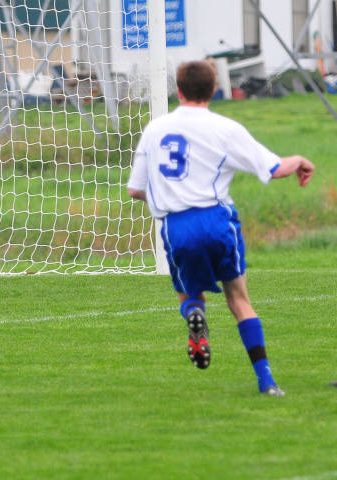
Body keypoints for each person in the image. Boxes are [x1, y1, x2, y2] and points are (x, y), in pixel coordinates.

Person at [127, 60, 314, 396]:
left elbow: (134, 189)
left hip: (176, 225)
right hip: (217, 220)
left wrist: (165, 198)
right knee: (238, 299)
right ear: (213, 90)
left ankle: (194, 314)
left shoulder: (155, 129)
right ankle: (266, 381)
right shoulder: (226, 128)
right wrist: (298, 160)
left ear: (179, 90)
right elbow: (274, 168)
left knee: (188, 292)